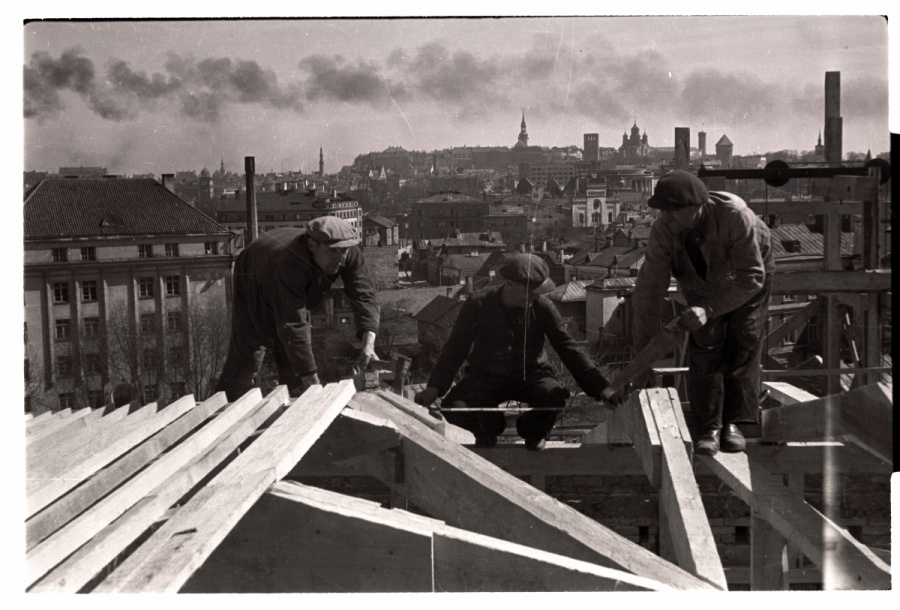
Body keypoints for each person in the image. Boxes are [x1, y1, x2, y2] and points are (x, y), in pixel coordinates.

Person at [632, 171, 774, 456]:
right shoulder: (665, 230)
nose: (667, 219)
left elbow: (750, 278)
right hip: (701, 280)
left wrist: (709, 308)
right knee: (705, 341)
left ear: (698, 207)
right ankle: (708, 427)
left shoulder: (735, 217)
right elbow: (649, 291)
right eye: (663, 212)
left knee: (743, 336)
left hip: (747, 276)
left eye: (674, 212)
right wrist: (641, 357)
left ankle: (735, 422)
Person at [414, 254, 614, 451]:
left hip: (532, 376)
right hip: (486, 377)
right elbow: (456, 348)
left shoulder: (543, 307)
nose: (536, 296)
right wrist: (435, 388)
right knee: (455, 408)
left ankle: (533, 432)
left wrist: (601, 387)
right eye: (531, 291)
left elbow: (568, 348)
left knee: (553, 397)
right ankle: (490, 428)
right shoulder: (478, 303)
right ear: (509, 284)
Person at [215, 216, 380, 400]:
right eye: (333, 251)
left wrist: (368, 345)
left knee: (294, 358)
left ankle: (295, 399)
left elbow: (364, 296)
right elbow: (292, 322)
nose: (341, 258)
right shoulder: (290, 262)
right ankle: (227, 403)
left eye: (344, 251)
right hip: (255, 271)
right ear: (312, 245)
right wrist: (312, 381)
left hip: (287, 275)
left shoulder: (349, 252)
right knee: (250, 348)